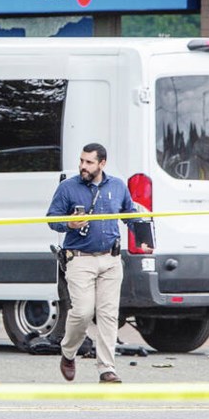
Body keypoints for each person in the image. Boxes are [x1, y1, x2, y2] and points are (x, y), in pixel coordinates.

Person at [46, 142, 151, 384]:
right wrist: (68, 224)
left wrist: (143, 240)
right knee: (82, 312)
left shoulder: (117, 186)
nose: (83, 166)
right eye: (81, 161)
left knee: (108, 315)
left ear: (102, 163)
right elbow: (52, 219)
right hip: (80, 259)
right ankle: (68, 352)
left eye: (89, 162)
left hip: (111, 260)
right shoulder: (68, 188)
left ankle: (107, 368)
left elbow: (130, 215)